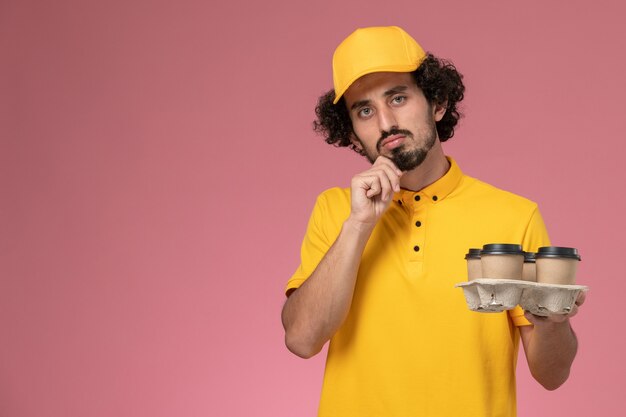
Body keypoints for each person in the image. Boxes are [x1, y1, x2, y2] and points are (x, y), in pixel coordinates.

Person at [281, 26, 584, 417]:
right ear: (353, 135)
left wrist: (554, 322)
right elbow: (301, 340)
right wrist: (358, 225)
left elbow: (552, 375)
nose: (387, 123)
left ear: (437, 103)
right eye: (365, 110)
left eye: (399, 97)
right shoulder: (336, 210)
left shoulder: (513, 215)